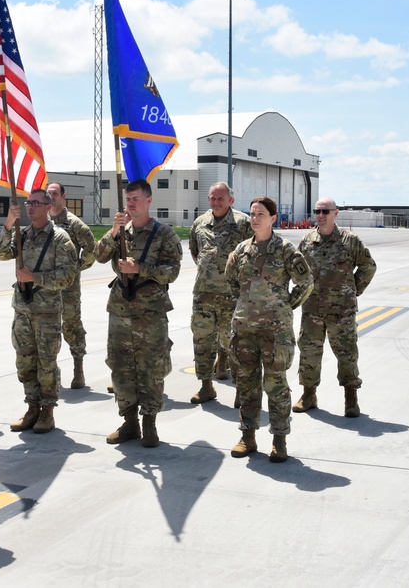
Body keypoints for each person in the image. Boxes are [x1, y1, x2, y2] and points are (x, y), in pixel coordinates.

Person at [224, 196, 313, 462]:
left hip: (275, 333)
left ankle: (279, 440)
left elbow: (305, 282)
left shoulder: (286, 250)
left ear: (273, 218)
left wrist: (285, 306)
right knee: (247, 386)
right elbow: (231, 283)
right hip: (245, 331)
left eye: (260, 214)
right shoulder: (240, 251)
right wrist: (245, 306)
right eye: (252, 214)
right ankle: (248, 437)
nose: (255, 218)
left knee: (276, 386)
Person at [94, 179, 182, 448]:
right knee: (120, 367)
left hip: (151, 313)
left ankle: (150, 423)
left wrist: (140, 268)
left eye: (136, 199)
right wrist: (113, 231)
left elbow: (172, 271)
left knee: (151, 369)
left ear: (149, 201)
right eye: (128, 200)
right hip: (120, 310)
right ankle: (129, 421)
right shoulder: (121, 232)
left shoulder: (164, 234)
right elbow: (98, 256)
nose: (131, 204)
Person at [0, 188, 78, 434]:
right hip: (22, 309)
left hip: (47, 313)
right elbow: (0, 253)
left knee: (46, 364)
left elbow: (67, 276)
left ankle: (47, 411)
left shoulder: (60, 238)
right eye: (27, 202)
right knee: (25, 362)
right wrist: (9, 224)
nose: (29, 207)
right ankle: (32, 407)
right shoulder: (22, 235)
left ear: (47, 205)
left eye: (35, 203)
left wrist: (35, 277)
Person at [295, 197, 377, 418]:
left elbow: (368, 266)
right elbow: (298, 271)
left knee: (347, 354)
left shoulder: (350, 241)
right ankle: (309, 394)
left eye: (325, 211)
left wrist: (353, 289)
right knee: (309, 353)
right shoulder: (307, 241)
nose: (320, 215)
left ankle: (351, 398)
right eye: (317, 211)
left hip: (342, 311)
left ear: (335, 213)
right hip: (312, 310)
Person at [188, 182, 253, 406]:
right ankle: (206, 386)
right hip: (203, 294)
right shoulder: (200, 222)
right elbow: (195, 251)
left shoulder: (243, 223)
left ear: (230, 200)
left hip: (232, 296)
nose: (216, 203)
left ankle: (240, 388)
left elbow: (254, 253)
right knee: (202, 341)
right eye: (212, 199)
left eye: (220, 199)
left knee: (234, 343)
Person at [45, 182, 97, 389]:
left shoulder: (74, 224)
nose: (51, 198)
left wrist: (76, 268)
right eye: (48, 194)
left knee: (71, 325)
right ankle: (51, 372)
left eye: (55, 194)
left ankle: (79, 368)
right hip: (46, 287)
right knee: (48, 328)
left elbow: (92, 248)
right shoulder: (43, 221)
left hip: (68, 287)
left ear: (63, 196)